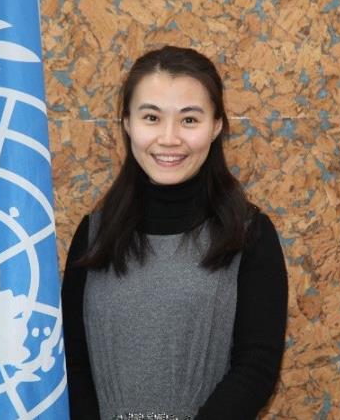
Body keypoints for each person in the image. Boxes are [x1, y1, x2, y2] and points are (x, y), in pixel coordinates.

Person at [62, 45, 288, 420]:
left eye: (189, 120)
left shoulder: (250, 234)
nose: (169, 138)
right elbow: (72, 361)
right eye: (151, 117)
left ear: (216, 125)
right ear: (127, 123)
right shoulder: (94, 234)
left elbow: (256, 367)